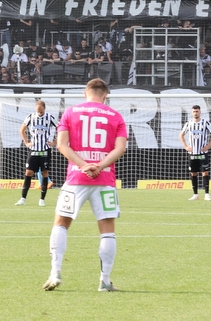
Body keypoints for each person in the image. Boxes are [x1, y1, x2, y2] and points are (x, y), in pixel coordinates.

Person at [44, 78, 127, 292]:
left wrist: (83, 165)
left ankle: (55, 272)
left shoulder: (71, 113)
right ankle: (105, 281)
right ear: (106, 95)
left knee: (61, 223)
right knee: (107, 229)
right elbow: (120, 149)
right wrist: (98, 166)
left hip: (76, 178)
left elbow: (62, 145)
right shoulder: (116, 116)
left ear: (85, 93)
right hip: (105, 179)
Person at [16, 99, 58, 207]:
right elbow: (22, 130)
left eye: (41, 111)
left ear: (44, 109)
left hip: (45, 150)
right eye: (38, 111)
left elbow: (61, 128)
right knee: (28, 173)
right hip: (34, 150)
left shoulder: (49, 117)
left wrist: (54, 142)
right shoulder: (30, 117)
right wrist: (26, 142)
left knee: (44, 173)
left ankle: (42, 200)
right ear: (36, 109)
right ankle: (23, 198)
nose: (39, 113)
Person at [180, 104, 211, 201]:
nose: (195, 113)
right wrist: (185, 146)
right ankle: (195, 195)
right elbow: (181, 135)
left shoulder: (205, 122)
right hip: (192, 154)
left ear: (200, 112)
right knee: (193, 173)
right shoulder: (188, 123)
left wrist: (209, 146)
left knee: (205, 172)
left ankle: (207, 194)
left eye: (197, 111)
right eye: (194, 111)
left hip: (202, 154)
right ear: (192, 112)